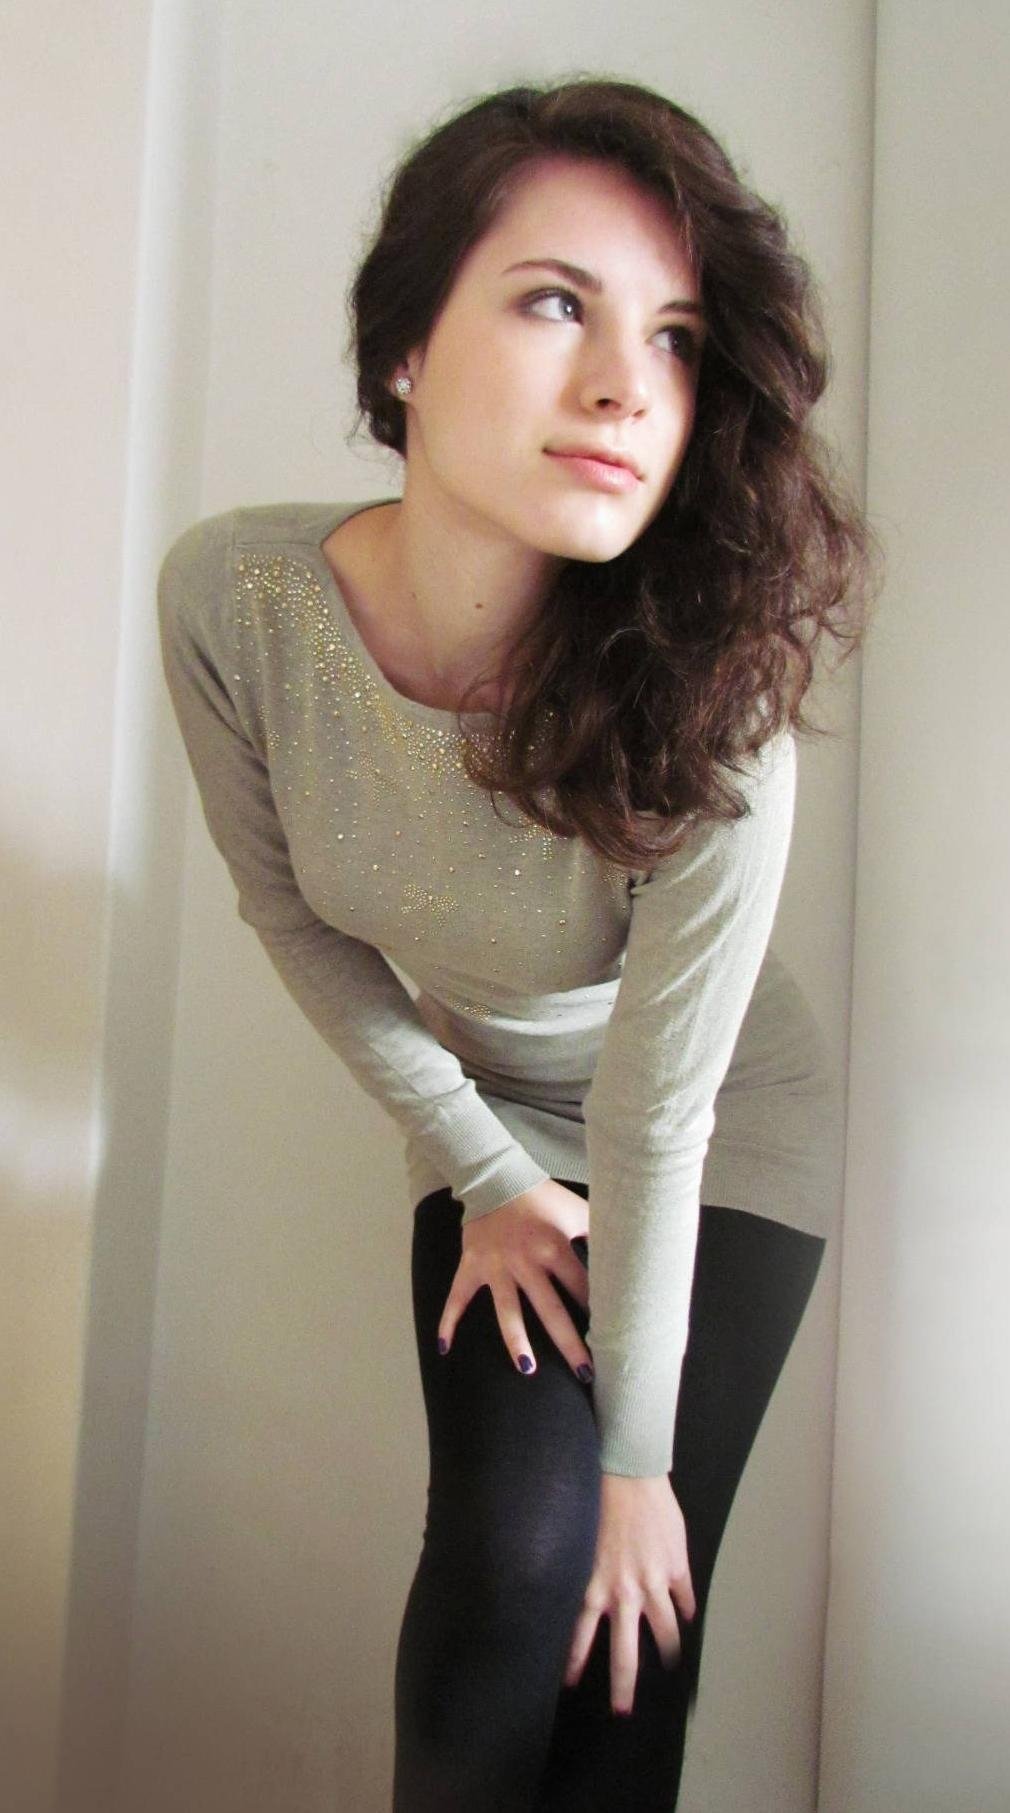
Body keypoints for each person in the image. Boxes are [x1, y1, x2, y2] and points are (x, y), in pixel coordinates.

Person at [157, 77, 876, 1812]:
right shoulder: (241, 606)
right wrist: (483, 1170)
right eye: (558, 303)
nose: (630, 386)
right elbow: (290, 913)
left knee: (623, 1629)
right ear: (405, 346)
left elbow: (656, 1113)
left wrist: (639, 1463)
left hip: (716, 1135)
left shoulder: (711, 708)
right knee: (507, 1580)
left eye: (677, 339)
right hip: (493, 1115)